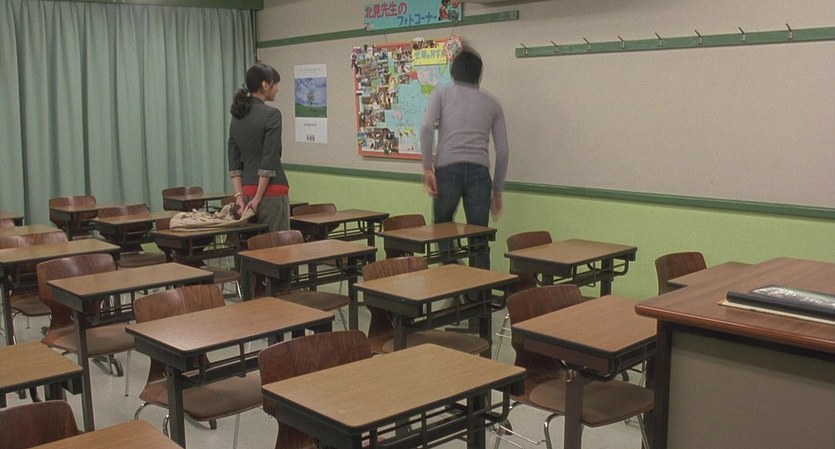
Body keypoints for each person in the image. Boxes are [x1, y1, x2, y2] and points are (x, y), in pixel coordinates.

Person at [420, 49, 509, 270]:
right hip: (480, 173)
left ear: (453, 72)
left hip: (447, 169)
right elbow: (503, 151)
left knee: (442, 228)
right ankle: (480, 289)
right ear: (479, 75)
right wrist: (497, 191)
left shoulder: (442, 95)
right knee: (479, 240)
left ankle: (453, 273)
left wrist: (427, 168)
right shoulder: (493, 104)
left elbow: (426, 128)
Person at [228, 63, 290, 232]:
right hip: (271, 192)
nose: (277, 89)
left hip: (246, 190)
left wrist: (239, 197)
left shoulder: (237, 116)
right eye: (275, 84)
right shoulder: (272, 114)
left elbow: (233, 161)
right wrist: (258, 198)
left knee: (253, 245)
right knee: (278, 245)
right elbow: (269, 160)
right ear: (265, 85)